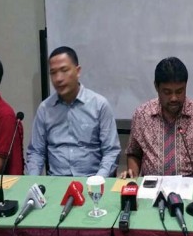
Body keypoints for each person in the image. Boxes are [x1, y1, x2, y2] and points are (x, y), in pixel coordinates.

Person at [121, 57, 193, 180]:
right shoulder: (142, 115)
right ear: (156, 87)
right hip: (152, 186)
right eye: (167, 92)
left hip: (191, 186)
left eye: (179, 91)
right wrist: (133, 174)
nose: (174, 98)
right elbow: (134, 152)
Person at [25, 46, 121, 177]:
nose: (58, 78)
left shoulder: (99, 105)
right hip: (56, 181)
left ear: (78, 71)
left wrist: (97, 181)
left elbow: (111, 151)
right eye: (53, 73)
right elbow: (36, 152)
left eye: (64, 70)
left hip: (91, 180)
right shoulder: (45, 108)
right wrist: (32, 181)